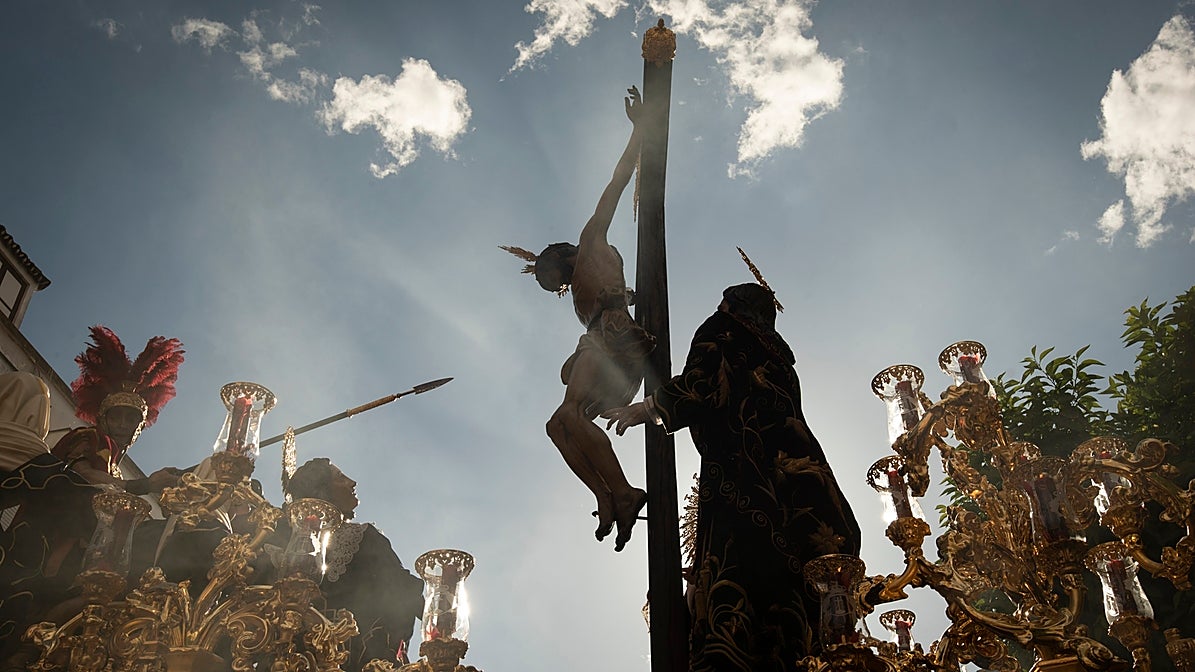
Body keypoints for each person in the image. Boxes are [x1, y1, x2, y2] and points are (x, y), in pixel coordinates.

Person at [602, 283, 863, 671]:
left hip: (744, 475)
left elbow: (703, 384)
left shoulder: (721, 328)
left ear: (731, 304)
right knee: (794, 609)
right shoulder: (781, 362)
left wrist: (649, 408)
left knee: (738, 589)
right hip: (803, 482)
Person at [503, 86, 654, 552]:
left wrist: (640, 131)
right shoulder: (582, 292)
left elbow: (616, 183)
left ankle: (624, 492)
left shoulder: (591, 242)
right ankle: (607, 496)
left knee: (568, 412)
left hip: (612, 343)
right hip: (603, 350)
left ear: (559, 258)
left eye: (549, 278)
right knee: (558, 424)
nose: (552, 286)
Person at [279, 458, 424, 671]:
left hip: (314, 655)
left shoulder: (286, 546)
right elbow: (400, 588)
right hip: (353, 654)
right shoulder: (362, 537)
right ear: (322, 490)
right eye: (340, 478)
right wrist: (441, 611)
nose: (352, 482)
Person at [51, 326, 185, 494]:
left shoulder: (115, 472)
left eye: (130, 420)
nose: (122, 425)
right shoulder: (87, 436)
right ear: (102, 419)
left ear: (139, 427)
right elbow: (83, 474)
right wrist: (144, 485)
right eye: (115, 418)